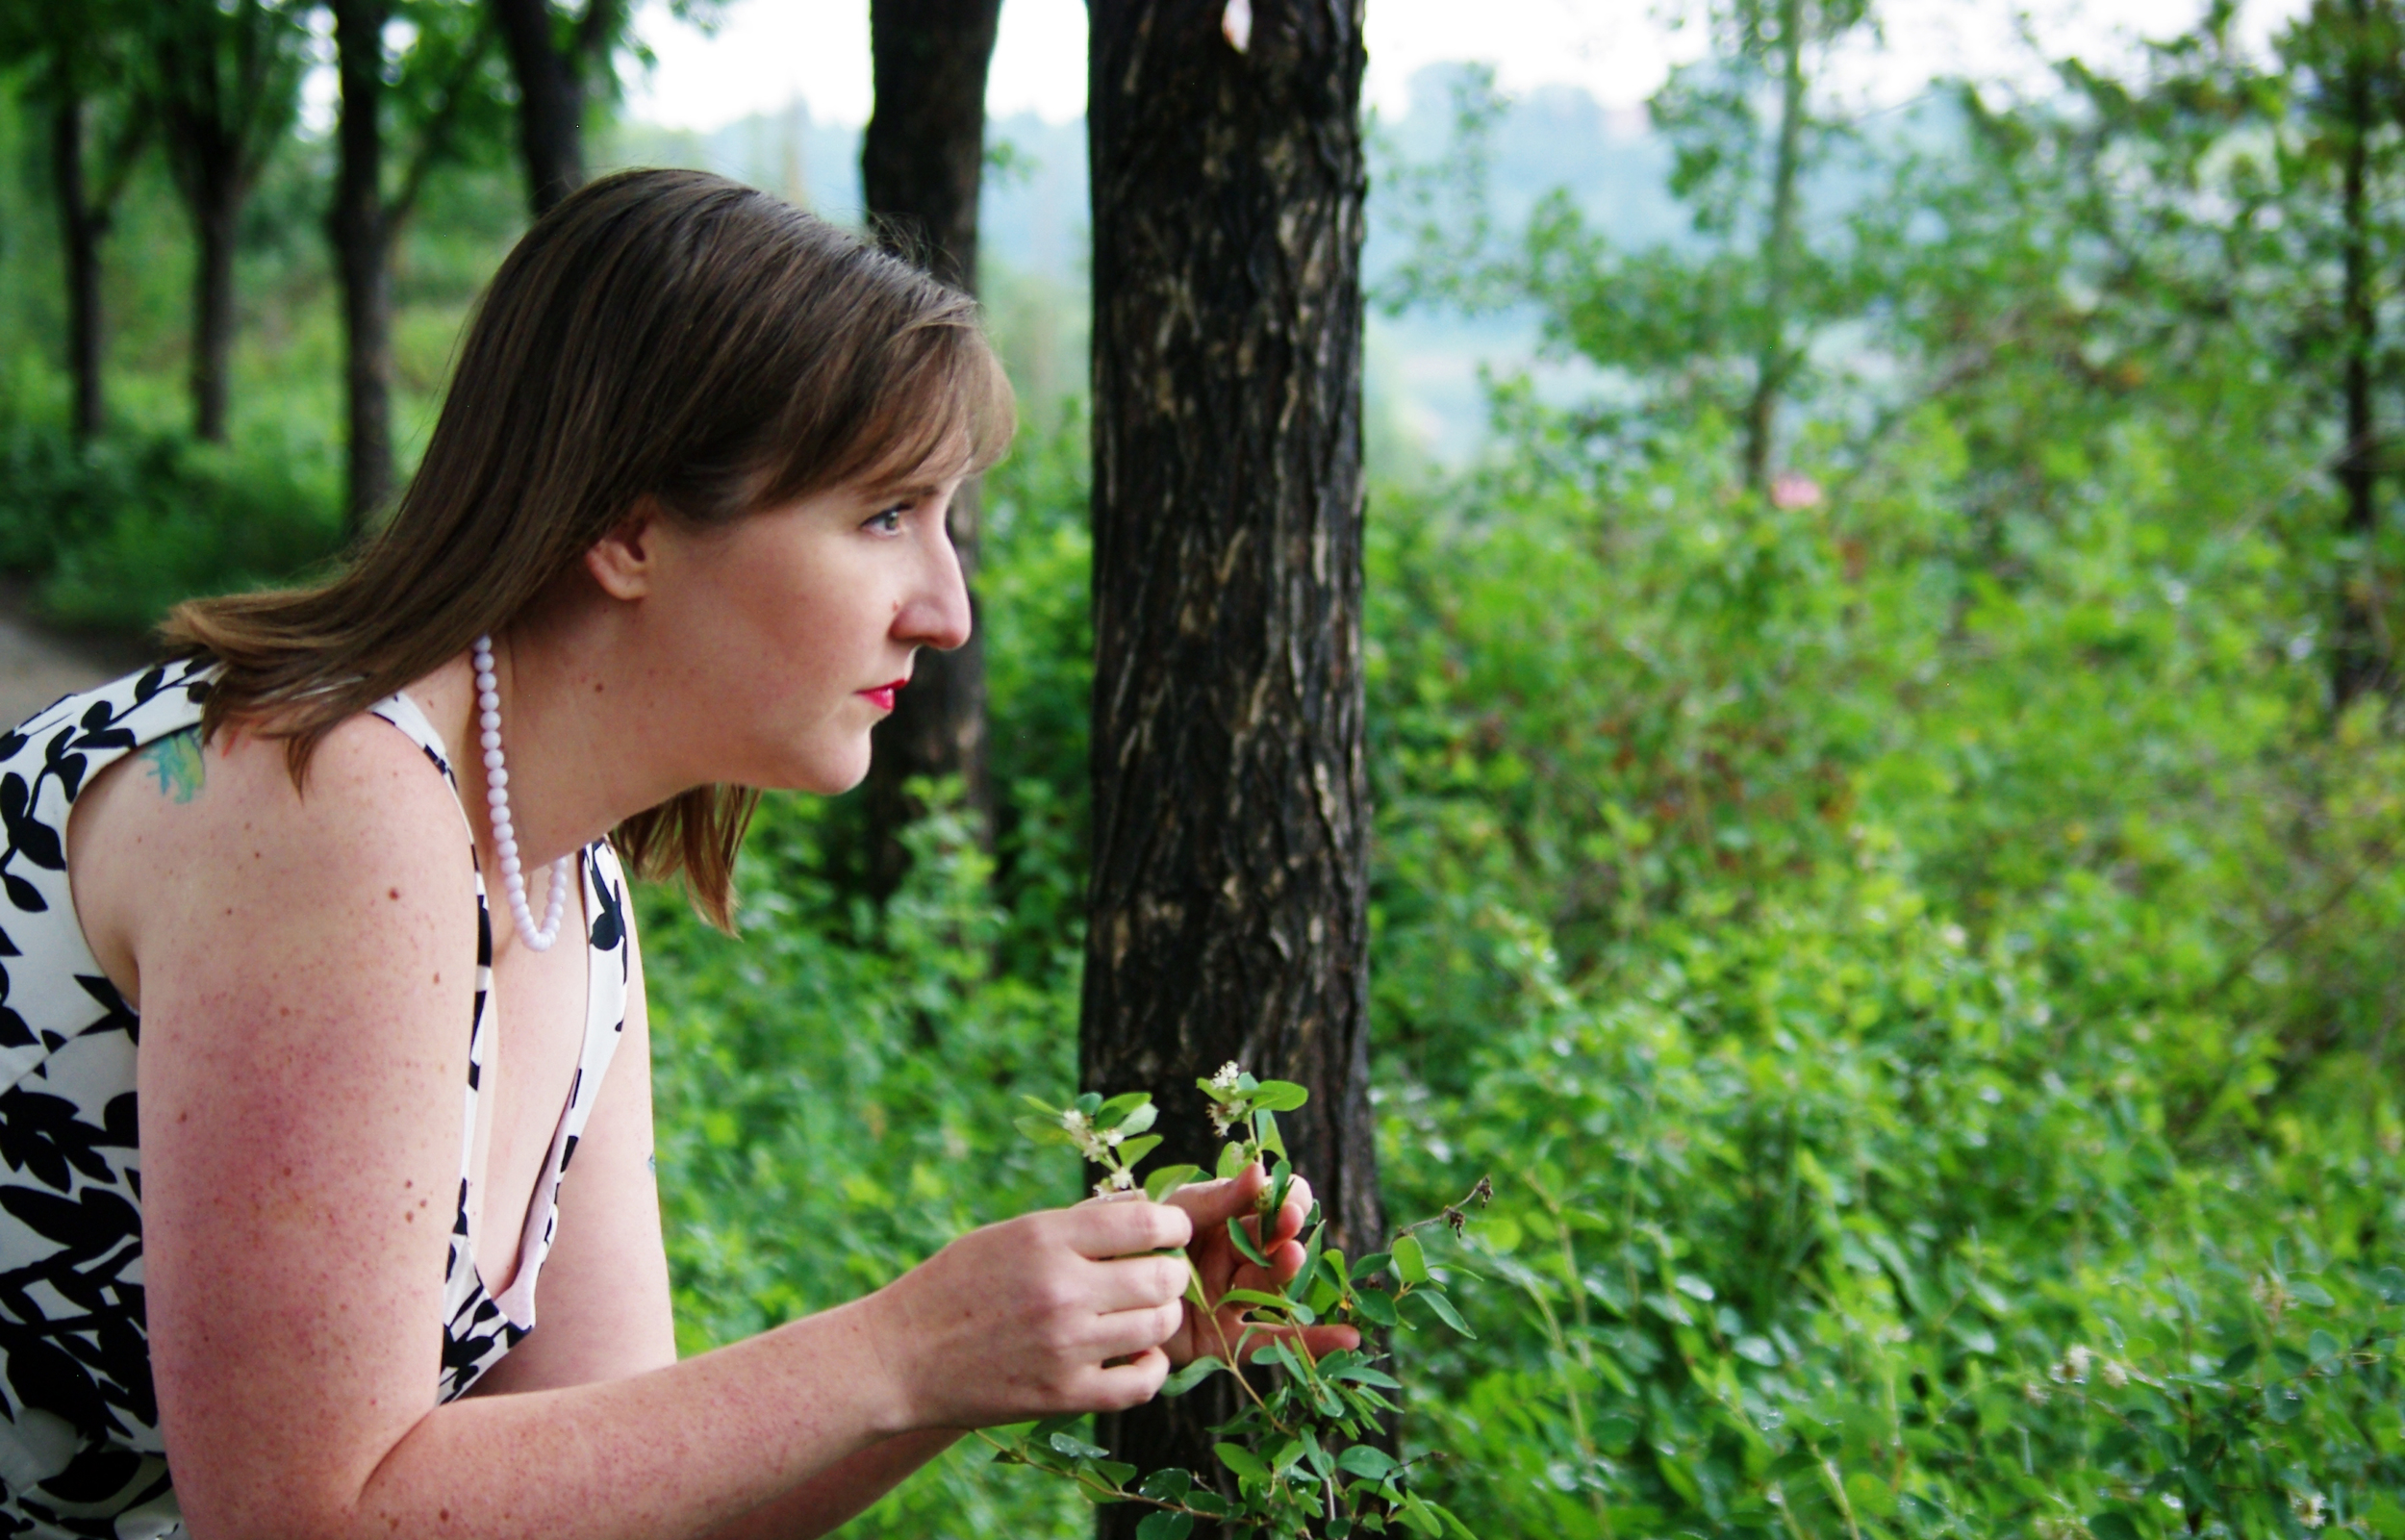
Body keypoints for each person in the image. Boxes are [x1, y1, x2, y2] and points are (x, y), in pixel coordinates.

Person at [0, 168, 1352, 1540]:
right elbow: (309, 1520)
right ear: (632, 530)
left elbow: (618, 1510)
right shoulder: (332, 796)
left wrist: (975, 1367)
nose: (946, 609)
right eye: (886, 514)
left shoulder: (558, 885)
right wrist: (902, 1345)